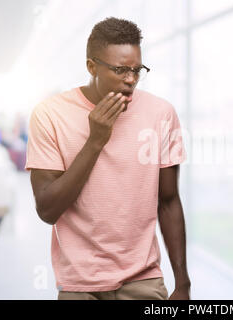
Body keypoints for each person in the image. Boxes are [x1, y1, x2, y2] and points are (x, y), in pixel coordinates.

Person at [25, 17, 190, 300]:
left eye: (137, 70)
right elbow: (47, 210)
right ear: (91, 67)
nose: (130, 79)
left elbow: (169, 200)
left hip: (144, 280)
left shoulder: (161, 113)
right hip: (79, 284)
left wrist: (183, 283)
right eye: (120, 70)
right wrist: (95, 140)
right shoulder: (50, 114)